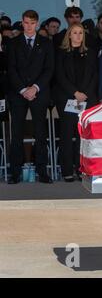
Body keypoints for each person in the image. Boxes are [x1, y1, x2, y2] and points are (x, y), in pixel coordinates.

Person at [7, 10, 54, 184]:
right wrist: (22, 90)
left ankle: (42, 172)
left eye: (32, 23)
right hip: (18, 94)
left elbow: (49, 69)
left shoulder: (46, 43)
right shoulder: (13, 43)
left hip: (39, 93)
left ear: (37, 23)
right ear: (22, 22)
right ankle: (15, 173)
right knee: (16, 134)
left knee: (41, 134)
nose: (29, 26)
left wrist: (34, 88)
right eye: (26, 23)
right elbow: (11, 69)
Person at [54, 23, 98, 182]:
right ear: (69, 35)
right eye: (75, 33)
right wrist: (75, 93)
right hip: (67, 98)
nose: (78, 35)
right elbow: (59, 75)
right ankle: (67, 170)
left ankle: (82, 169)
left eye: (81, 33)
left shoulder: (91, 53)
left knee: (83, 136)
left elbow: (94, 75)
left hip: (87, 98)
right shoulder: (61, 53)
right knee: (66, 135)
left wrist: (84, 93)